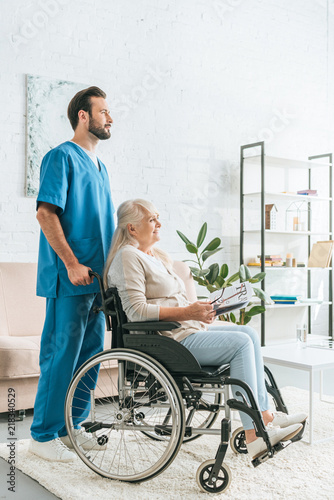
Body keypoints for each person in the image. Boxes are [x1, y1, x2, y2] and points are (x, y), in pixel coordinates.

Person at [104, 199, 307, 460]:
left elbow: (170, 300)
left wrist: (203, 310)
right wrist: (187, 312)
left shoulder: (157, 256)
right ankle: (254, 435)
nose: (159, 224)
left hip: (182, 332)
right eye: (152, 219)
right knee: (241, 344)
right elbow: (136, 311)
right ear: (132, 228)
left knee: (248, 333)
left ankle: (265, 416)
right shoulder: (128, 257)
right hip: (165, 340)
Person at [29, 86, 115, 462]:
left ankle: (71, 427)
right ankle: (42, 436)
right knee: (61, 354)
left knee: (90, 357)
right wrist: (71, 263)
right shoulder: (60, 157)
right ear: (84, 115)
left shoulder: (101, 166)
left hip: (97, 280)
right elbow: (46, 213)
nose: (110, 118)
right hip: (70, 278)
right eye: (104, 111)